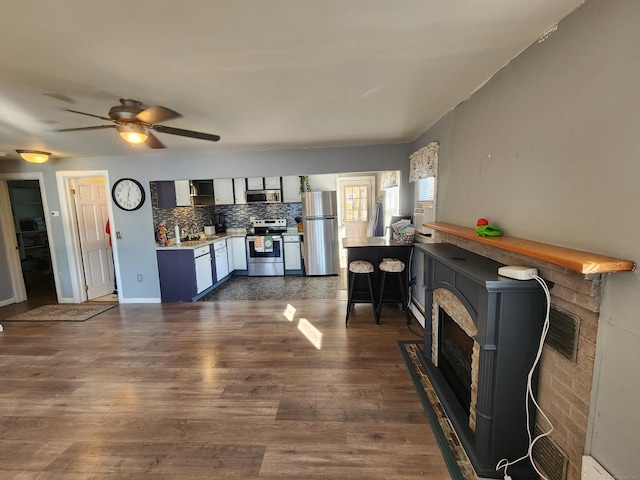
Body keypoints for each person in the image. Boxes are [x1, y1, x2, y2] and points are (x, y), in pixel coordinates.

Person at [106, 219, 117, 295]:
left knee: (116, 267)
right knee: (117, 267)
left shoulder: (112, 217)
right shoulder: (112, 217)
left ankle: (117, 288)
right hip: (115, 244)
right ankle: (117, 288)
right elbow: (108, 230)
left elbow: (107, 230)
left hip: (115, 244)